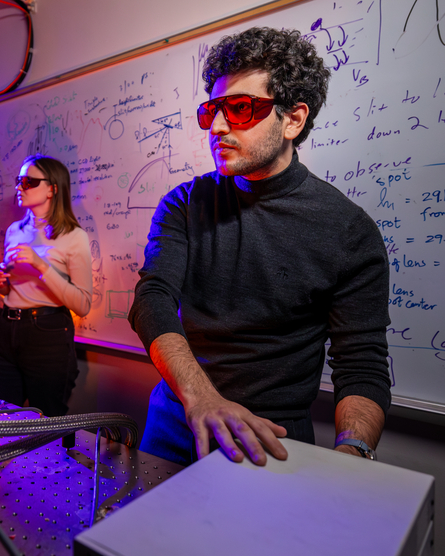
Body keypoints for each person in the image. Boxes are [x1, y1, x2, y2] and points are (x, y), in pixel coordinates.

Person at [128, 27, 391, 467]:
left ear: (293, 119)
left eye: (241, 109)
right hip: (179, 421)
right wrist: (202, 400)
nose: (217, 127)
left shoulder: (349, 231)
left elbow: (361, 365)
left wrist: (352, 454)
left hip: (272, 441)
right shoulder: (185, 203)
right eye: (212, 110)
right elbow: (152, 299)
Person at [0, 154, 92, 417]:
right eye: (19, 180)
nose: (20, 187)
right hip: (7, 328)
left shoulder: (74, 236)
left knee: (45, 423)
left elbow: (83, 304)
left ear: (52, 188)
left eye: (29, 181)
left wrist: (41, 265)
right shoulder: (14, 231)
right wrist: (1, 283)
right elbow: (14, 290)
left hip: (47, 335)